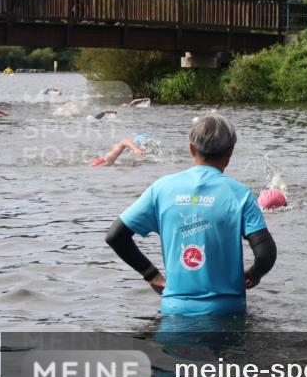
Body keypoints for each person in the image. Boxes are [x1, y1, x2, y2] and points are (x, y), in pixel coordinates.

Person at [105, 114, 277, 314]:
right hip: (227, 312)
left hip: (175, 311)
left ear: (191, 148)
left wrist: (152, 275)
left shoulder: (161, 188)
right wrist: (254, 274)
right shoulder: (240, 195)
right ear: (230, 151)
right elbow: (266, 254)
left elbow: (115, 236)